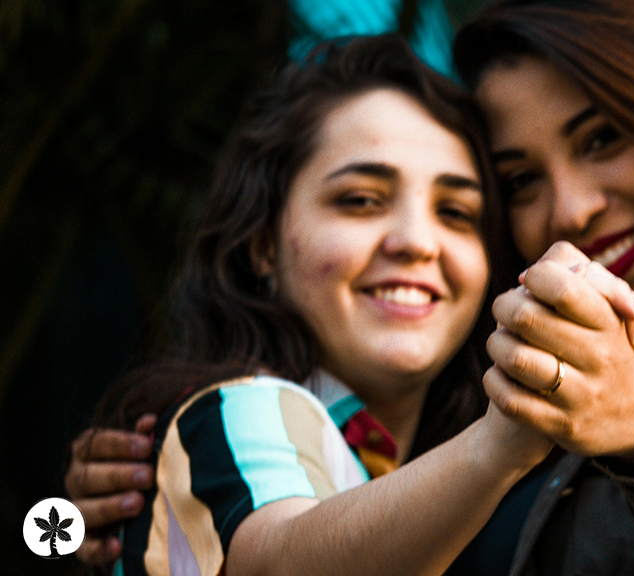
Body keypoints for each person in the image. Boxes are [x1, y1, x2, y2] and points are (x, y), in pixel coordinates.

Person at [70, 1, 634, 574]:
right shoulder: (472, 426)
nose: (573, 206)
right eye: (520, 179)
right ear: (262, 242)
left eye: (602, 139)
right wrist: (81, 530)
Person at [79, 33, 580, 576]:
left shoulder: (418, 475)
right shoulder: (244, 408)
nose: (416, 241)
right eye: (361, 200)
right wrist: (501, 442)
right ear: (263, 243)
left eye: (457, 212)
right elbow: (282, 560)